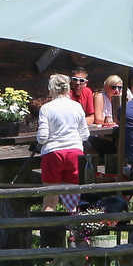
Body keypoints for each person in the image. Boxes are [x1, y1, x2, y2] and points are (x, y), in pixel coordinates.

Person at [36, 74, 90, 212]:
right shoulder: (77, 106)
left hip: (53, 153)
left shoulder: (46, 108)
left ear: (51, 88)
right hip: (74, 152)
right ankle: (75, 230)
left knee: (50, 200)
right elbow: (85, 135)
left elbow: (42, 137)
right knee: (74, 199)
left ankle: (48, 231)